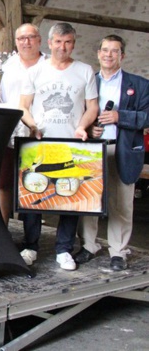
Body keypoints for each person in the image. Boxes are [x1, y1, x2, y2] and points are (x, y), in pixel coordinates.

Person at [19, 22, 99, 271]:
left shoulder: (85, 71)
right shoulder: (35, 71)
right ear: (50, 43)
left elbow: (92, 107)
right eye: (58, 42)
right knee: (33, 197)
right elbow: (23, 106)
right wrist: (33, 126)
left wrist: (82, 127)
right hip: (40, 143)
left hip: (71, 143)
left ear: (73, 44)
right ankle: (31, 246)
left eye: (68, 42)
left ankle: (63, 250)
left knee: (69, 197)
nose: (63, 47)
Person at [76, 35, 149, 271]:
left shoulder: (139, 85)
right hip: (93, 149)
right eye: (105, 50)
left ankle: (118, 251)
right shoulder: (88, 82)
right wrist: (90, 128)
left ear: (122, 56)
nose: (108, 55)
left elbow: (147, 117)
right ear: (98, 54)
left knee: (121, 203)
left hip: (123, 148)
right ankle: (88, 245)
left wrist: (120, 117)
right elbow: (76, 114)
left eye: (114, 51)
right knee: (89, 200)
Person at [0, 23, 46, 225]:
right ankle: (2, 231)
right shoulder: (2, 65)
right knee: (4, 183)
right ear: (16, 41)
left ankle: (32, 238)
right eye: (21, 38)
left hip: (41, 133)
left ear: (39, 39)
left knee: (34, 183)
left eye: (31, 37)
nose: (26, 42)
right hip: (8, 132)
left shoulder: (48, 66)